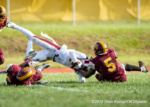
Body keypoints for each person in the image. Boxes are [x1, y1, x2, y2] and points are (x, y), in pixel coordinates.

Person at [6, 22, 89, 83]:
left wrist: (82, 77)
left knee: (29, 58)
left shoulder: (80, 70)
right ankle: (14, 26)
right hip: (55, 49)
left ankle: (29, 40)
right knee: (34, 38)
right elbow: (72, 53)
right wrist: (76, 63)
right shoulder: (85, 60)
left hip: (51, 57)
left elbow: (81, 78)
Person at [78, 41, 148, 82]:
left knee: (97, 73)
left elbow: (88, 75)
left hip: (109, 79)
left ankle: (105, 79)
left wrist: (79, 69)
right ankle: (142, 69)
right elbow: (106, 59)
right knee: (120, 65)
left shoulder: (94, 61)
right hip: (122, 78)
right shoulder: (111, 52)